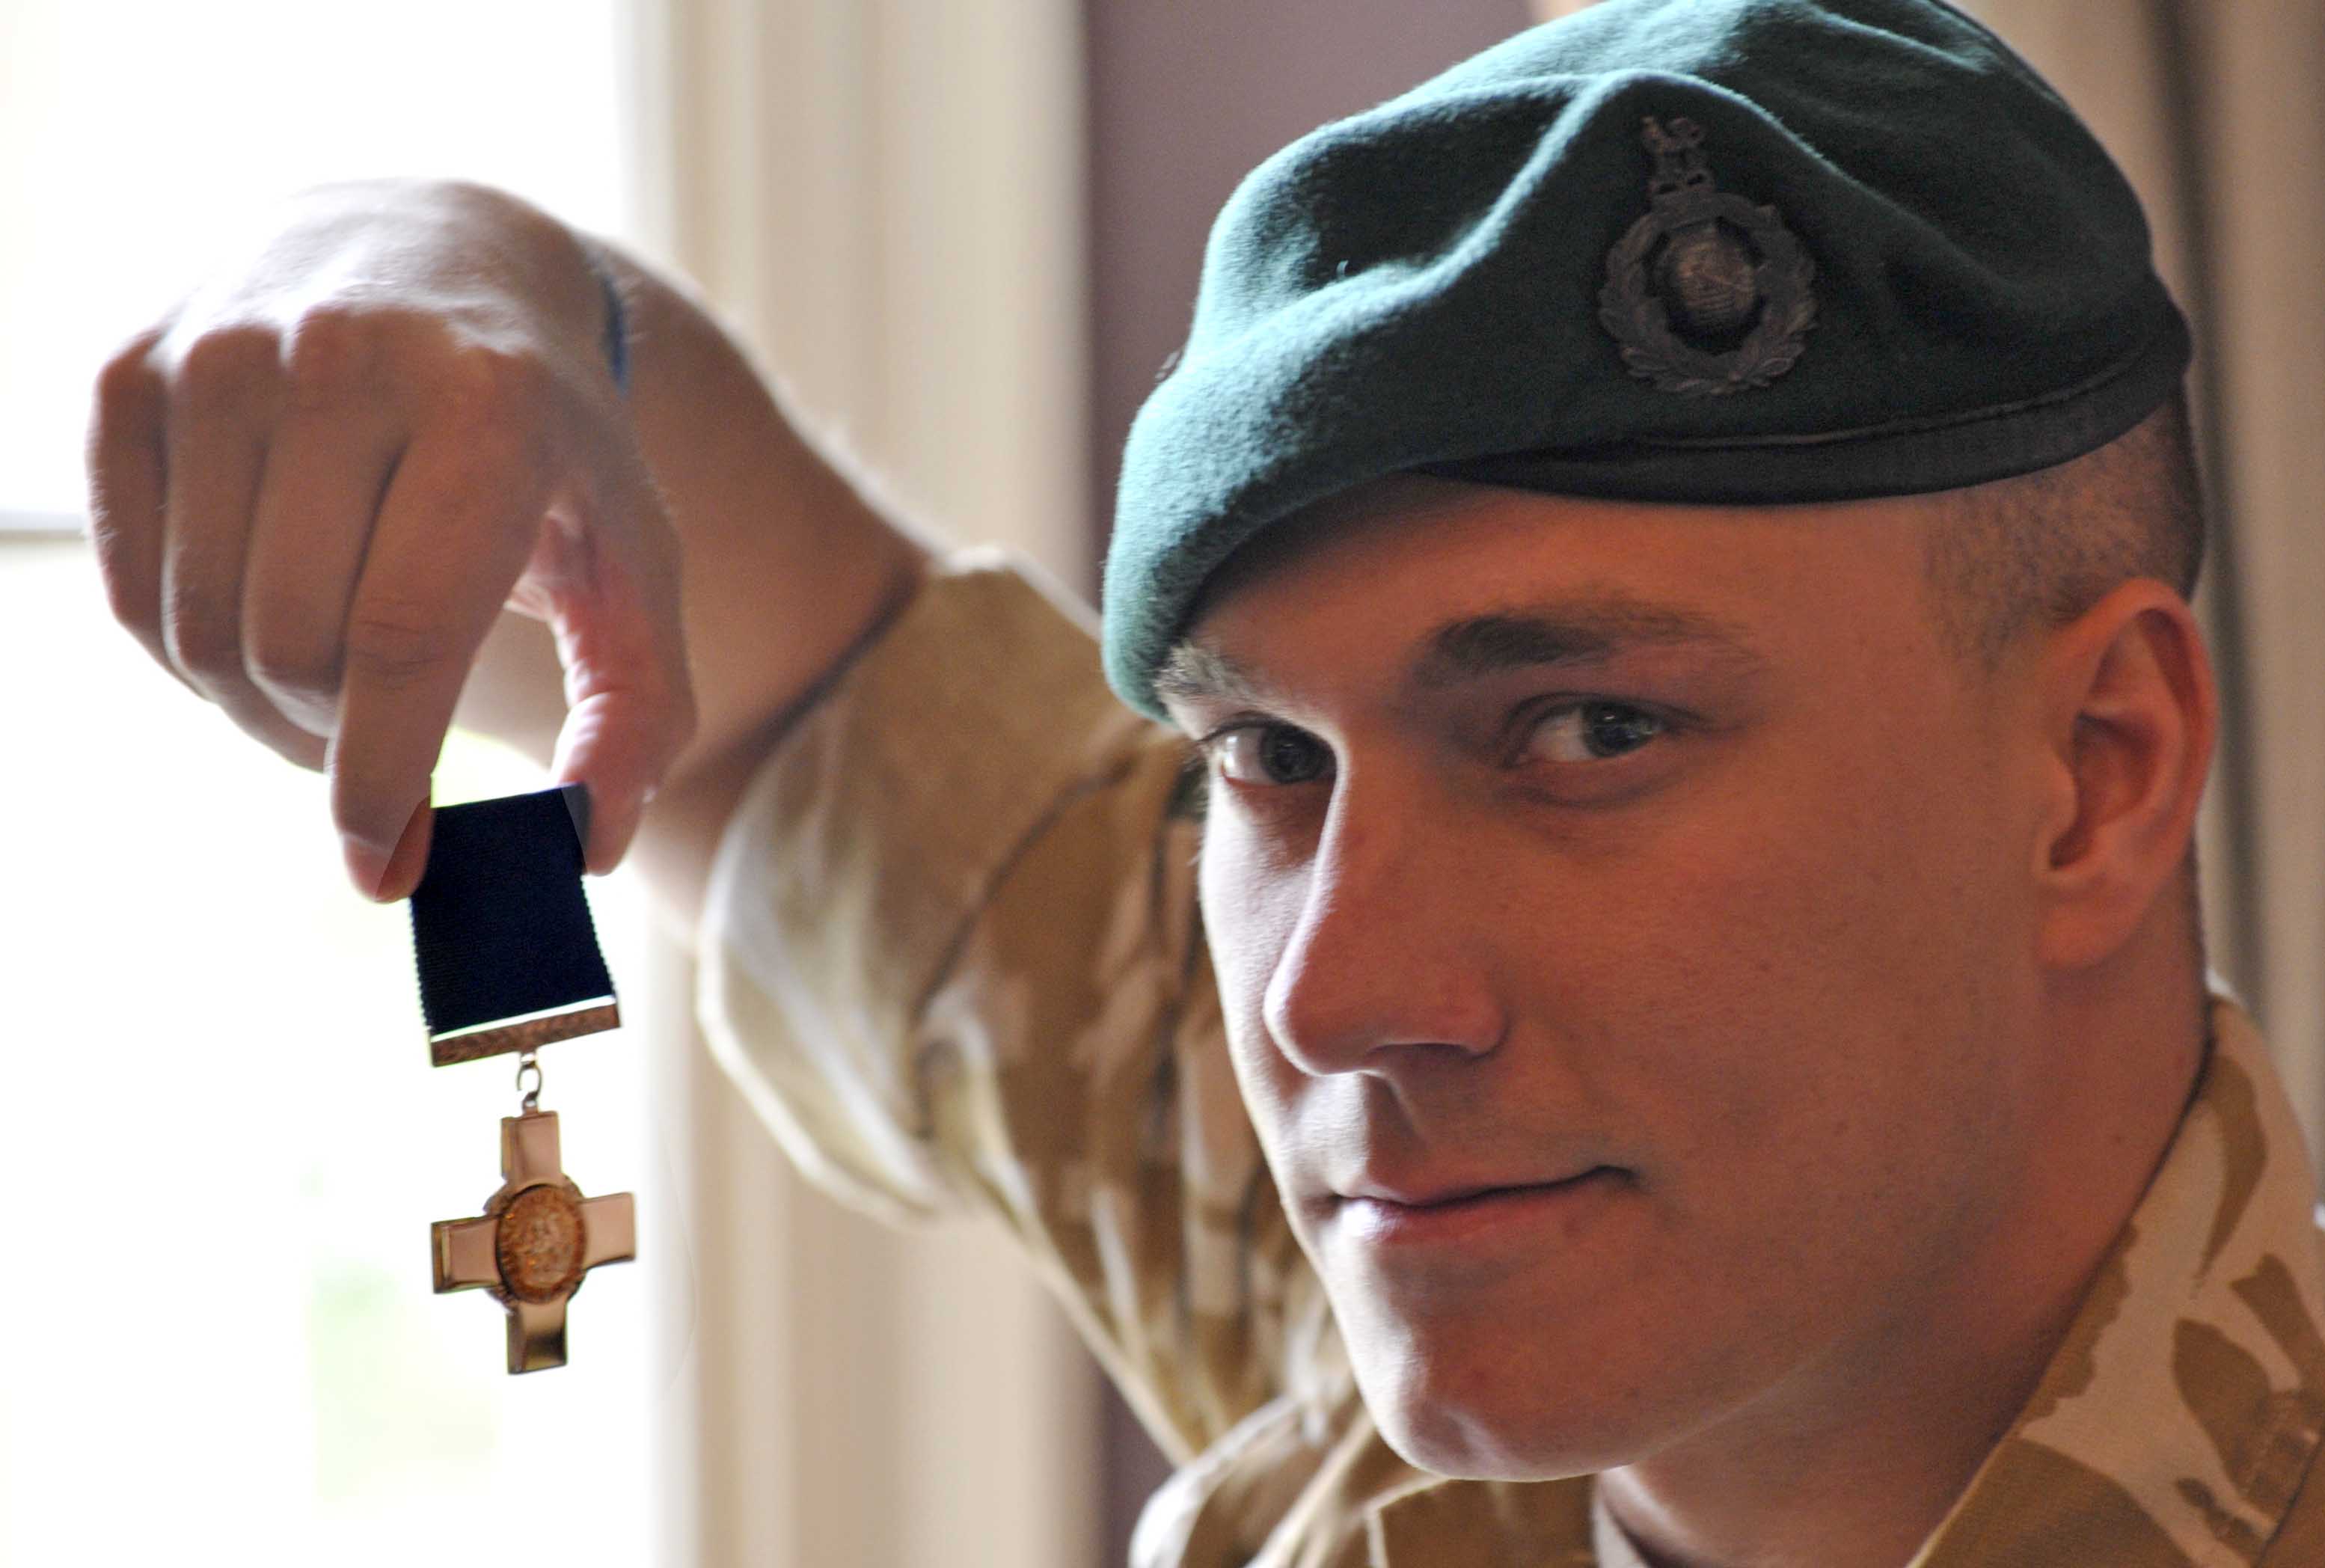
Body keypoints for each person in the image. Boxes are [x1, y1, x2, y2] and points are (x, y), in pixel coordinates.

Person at [84, 0, 2325, 1562]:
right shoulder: (1481, 1267)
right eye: (1261, 757)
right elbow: (789, 687)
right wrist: (426, 276)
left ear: (2093, 774)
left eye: (1586, 731)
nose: (1330, 991)